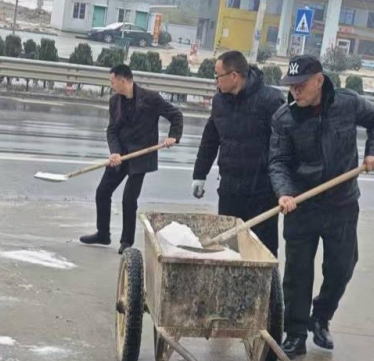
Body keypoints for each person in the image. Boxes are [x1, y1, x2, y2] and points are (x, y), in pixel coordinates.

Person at [269, 55, 374, 358]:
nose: (295, 91)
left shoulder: (347, 104)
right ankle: (295, 334)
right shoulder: (284, 118)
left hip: (341, 203)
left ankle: (321, 317)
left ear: (319, 81)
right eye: (291, 86)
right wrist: (284, 193)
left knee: (342, 267)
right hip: (301, 204)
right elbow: (278, 161)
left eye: (301, 85)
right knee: (297, 273)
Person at [80, 64, 183, 254]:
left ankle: (126, 241)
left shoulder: (150, 98)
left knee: (129, 199)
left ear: (123, 80)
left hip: (141, 156)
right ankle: (103, 234)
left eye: (112, 82)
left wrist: (173, 136)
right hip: (121, 155)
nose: (111, 85)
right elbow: (112, 130)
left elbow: (176, 115)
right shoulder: (114, 101)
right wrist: (114, 152)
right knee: (102, 192)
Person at [191, 50, 285, 257]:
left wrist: (284, 188)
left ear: (233, 76)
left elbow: (285, 146)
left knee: (262, 250)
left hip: (262, 192)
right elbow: (210, 139)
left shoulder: (270, 100)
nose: (215, 81)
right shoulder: (219, 101)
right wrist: (199, 174)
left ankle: (267, 280)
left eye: (218, 76)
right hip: (230, 190)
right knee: (229, 248)